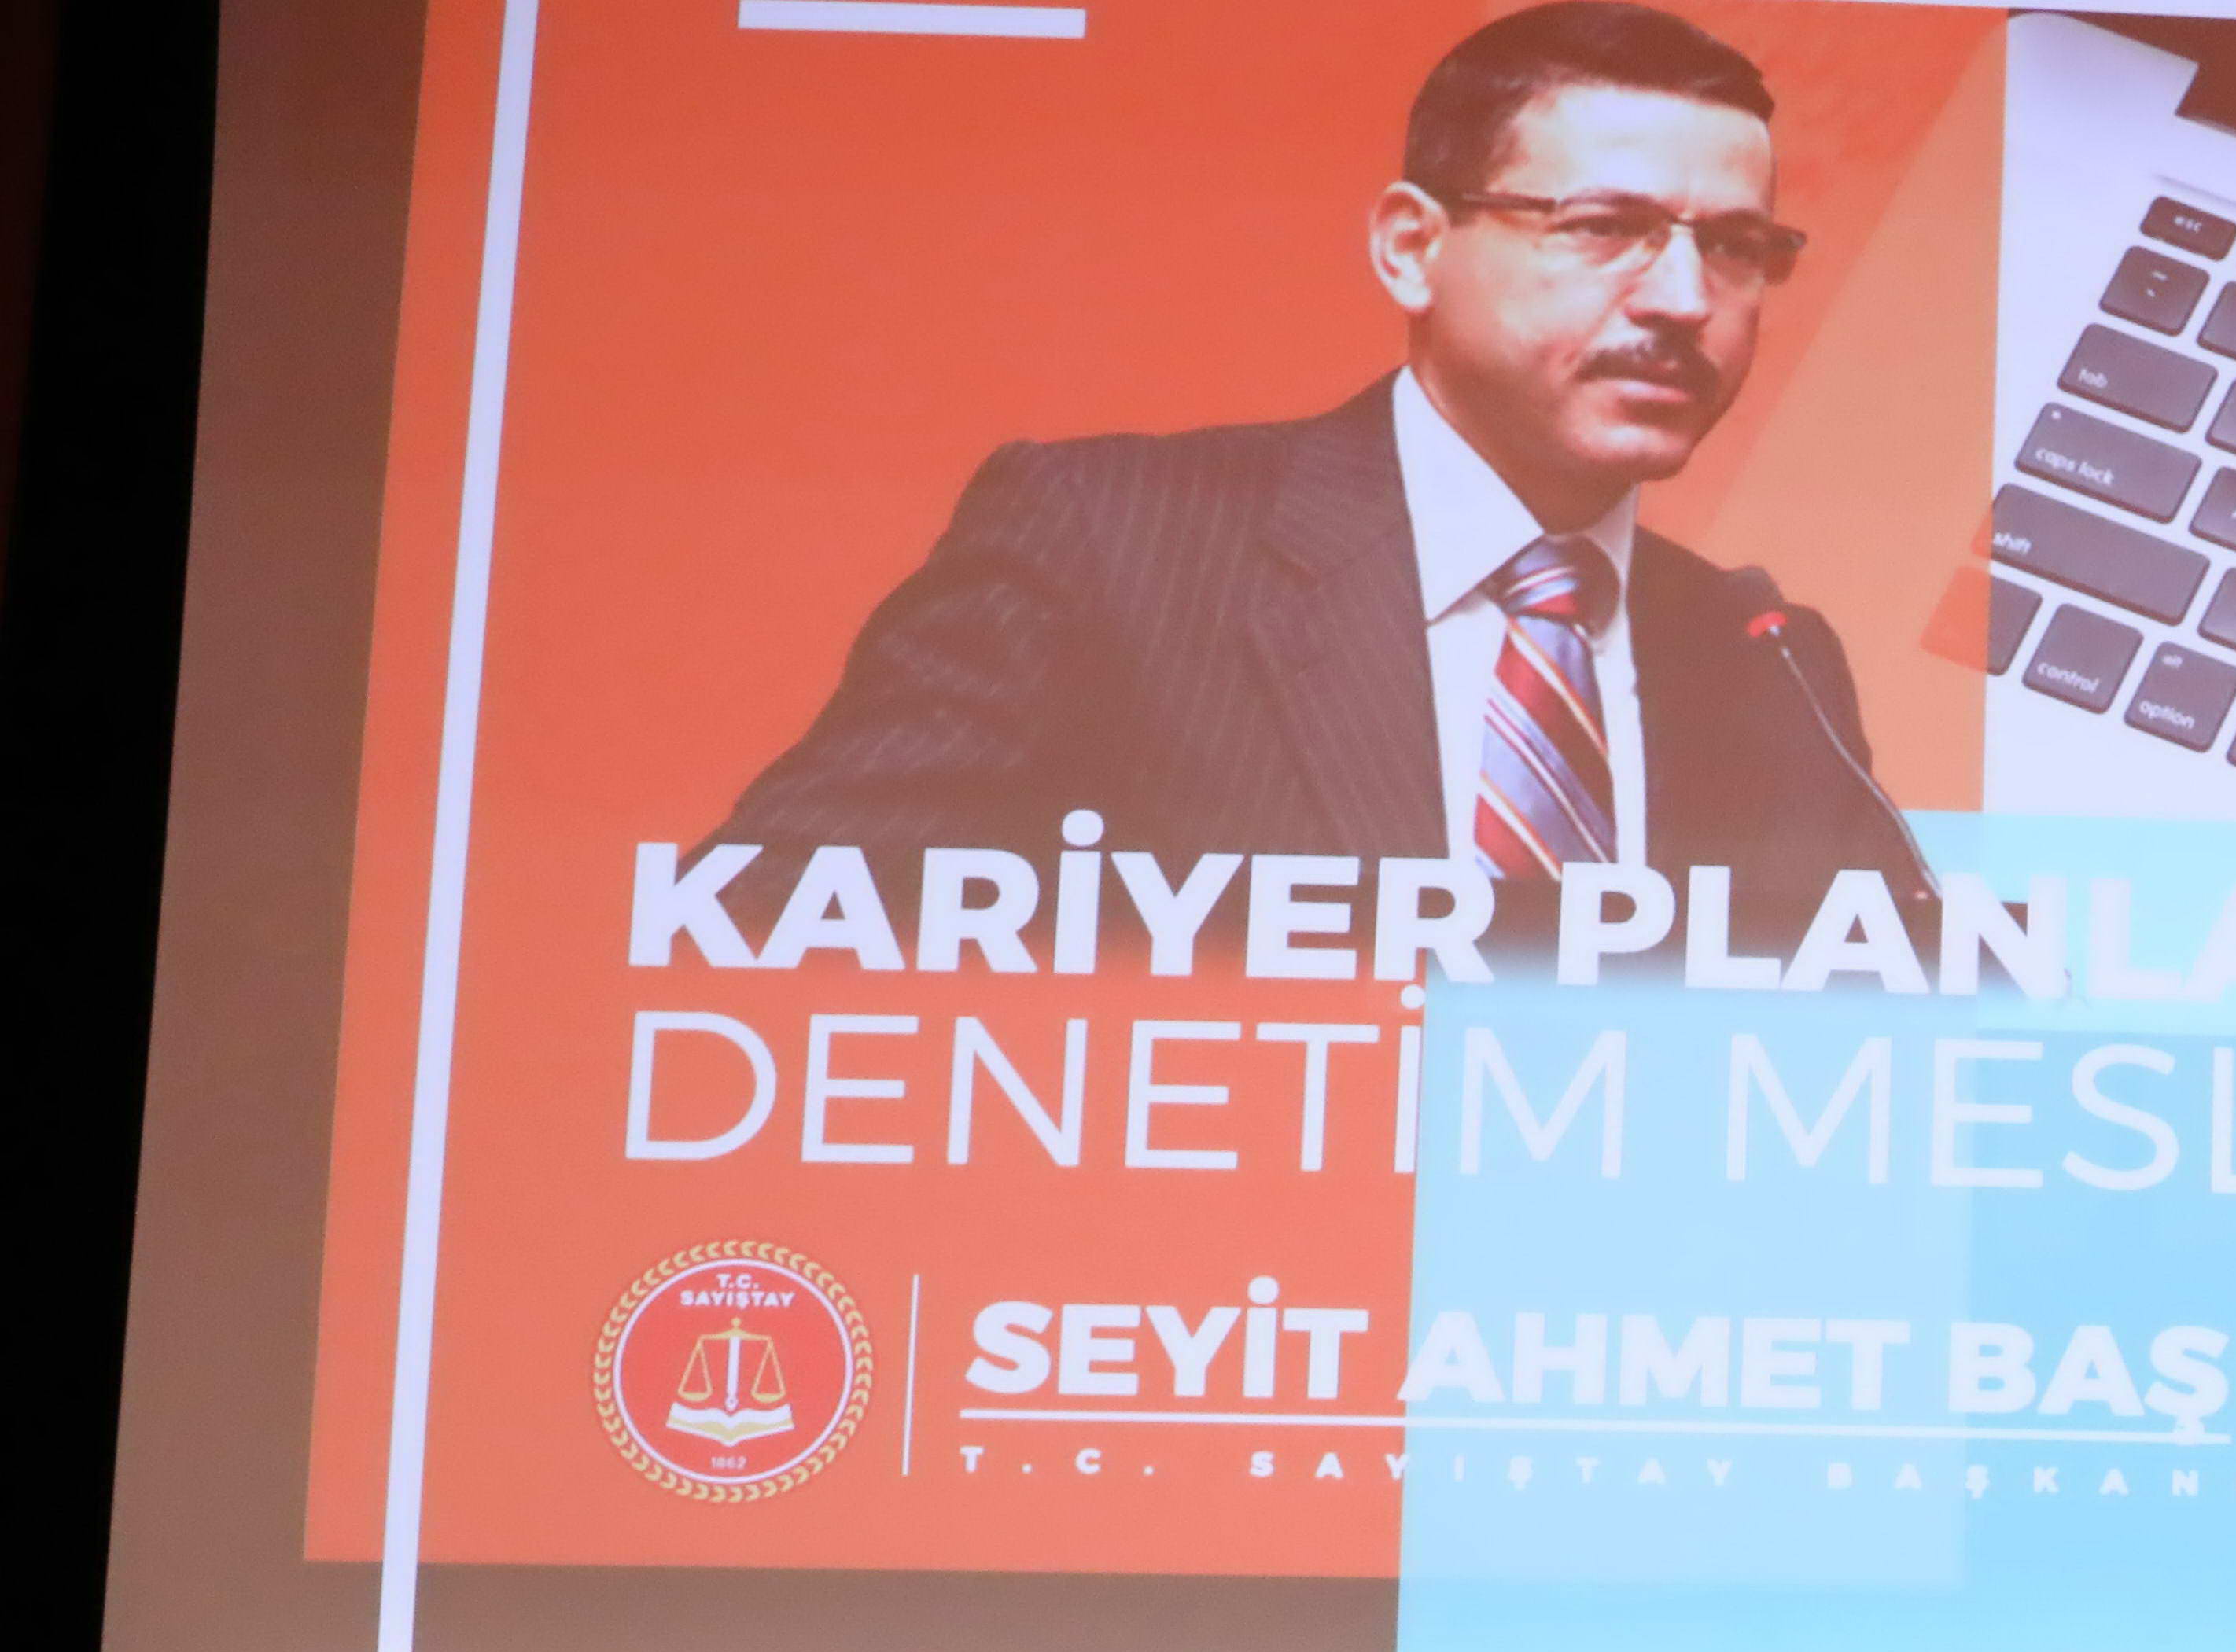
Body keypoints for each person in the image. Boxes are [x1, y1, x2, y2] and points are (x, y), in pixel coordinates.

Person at [709, 0, 1923, 950]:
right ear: (1412, 248)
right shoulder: (1105, 545)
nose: (1686, 299)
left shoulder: (1768, 662)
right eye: (1605, 228)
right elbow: (764, 935)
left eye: (1737, 246)